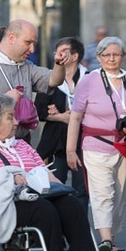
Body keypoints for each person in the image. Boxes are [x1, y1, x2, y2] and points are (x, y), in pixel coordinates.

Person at [0, 95, 111, 251]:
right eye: (10, 117)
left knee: (70, 204)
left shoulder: (21, 145)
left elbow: (43, 173)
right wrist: (6, 179)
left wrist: (60, 188)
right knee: (43, 210)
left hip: (31, 197)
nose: (16, 122)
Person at [66, 36, 126, 251]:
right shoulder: (89, 81)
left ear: (123, 56)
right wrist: (71, 150)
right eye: (106, 54)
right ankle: (106, 241)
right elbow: (75, 117)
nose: (112, 58)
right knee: (103, 194)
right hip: (96, 145)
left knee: (120, 195)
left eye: (116, 54)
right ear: (99, 57)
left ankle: (110, 236)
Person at [0, 19, 74, 140]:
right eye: (28, 42)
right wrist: (4, 99)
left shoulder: (27, 66)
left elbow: (54, 80)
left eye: (34, 44)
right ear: (11, 38)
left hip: (21, 140)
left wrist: (59, 63)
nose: (32, 50)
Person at [35, 37, 89, 209]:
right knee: (55, 186)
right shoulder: (51, 79)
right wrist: (60, 117)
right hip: (57, 142)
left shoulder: (89, 79)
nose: (58, 55)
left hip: (84, 142)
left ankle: (78, 226)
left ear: (74, 56)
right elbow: (39, 111)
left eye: (63, 51)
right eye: (57, 51)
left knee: (82, 189)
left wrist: (76, 117)